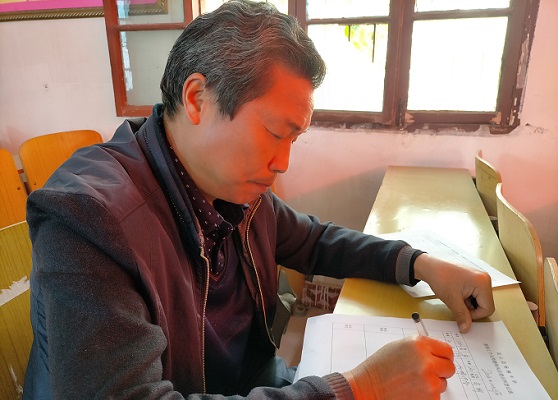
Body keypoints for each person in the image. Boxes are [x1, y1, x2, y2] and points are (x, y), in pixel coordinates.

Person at [22, 1, 495, 399]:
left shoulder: (231, 188)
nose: (282, 162)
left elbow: (313, 241)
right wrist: (360, 387)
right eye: (273, 133)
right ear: (197, 98)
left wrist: (420, 264)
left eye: (294, 139)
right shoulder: (88, 219)